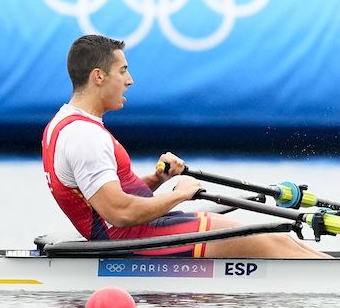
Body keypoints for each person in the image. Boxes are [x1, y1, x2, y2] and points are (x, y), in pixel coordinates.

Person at [42, 34, 325, 259]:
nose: (130, 80)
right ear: (98, 77)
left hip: (144, 230)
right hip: (135, 240)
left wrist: (156, 180)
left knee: (283, 241)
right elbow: (119, 213)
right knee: (282, 248)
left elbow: (99, 195)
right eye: (123, 71)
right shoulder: (85, 136)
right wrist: (181, 195)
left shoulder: (65, 122)